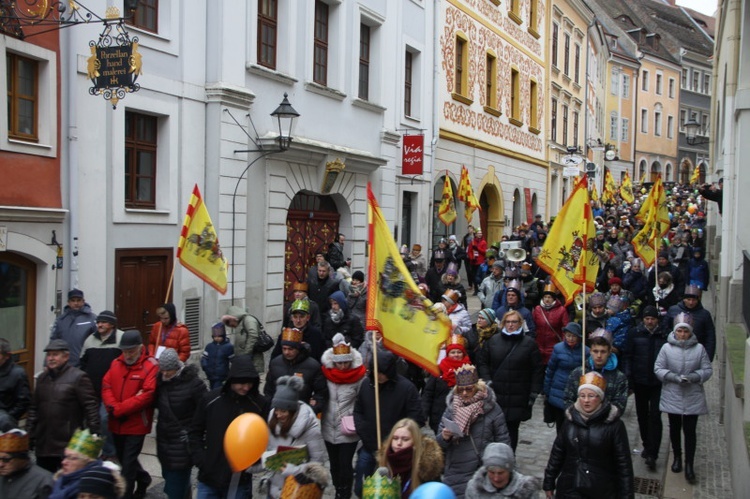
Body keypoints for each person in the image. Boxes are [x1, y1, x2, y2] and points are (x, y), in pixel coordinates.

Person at [190, 354, 270, 498]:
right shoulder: (210, 400)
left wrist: (253, 464)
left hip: (239, 481)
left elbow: (265, 439)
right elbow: (195, 431)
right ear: (232, 380)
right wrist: (202, 460)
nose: (246, 387)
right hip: (209, 477)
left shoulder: (260, 404)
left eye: (250, 383)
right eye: (242, 383)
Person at [543, 372, 634, 498]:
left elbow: (623, 464)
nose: (586, 401)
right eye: (582, 396)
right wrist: (549, 481)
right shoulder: (569, 422)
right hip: (570, 487)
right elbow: (557, 453)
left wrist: (627, 494)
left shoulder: (615, 426)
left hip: (601, 490)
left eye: (591, 396)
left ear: (600, 397)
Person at [352, 349, 425, 497]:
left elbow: (417, 417)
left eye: (382, 372)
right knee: (361, 486)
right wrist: (364, 431)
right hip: (370, 445)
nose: (378, 376)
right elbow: (358, 410)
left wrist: (400, 436)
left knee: (391, 487)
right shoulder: (366, 385)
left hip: (395, 450)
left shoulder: (407, 388)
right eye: (375, 372)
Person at [654, 313, 713, 484]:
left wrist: (694, 377)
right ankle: (677, 456)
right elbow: (658, 368)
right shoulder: (666, 348)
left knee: (690, 431)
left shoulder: (699, 349)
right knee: (674, 428)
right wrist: (673, 377)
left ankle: (690, 464)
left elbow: (707, 370)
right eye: (679, 331)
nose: (682, 335)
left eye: (685, 332)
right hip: (673, 392)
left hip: (692, 394)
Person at [437, 365, 510, 497]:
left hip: (482, 469)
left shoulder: (492, 408)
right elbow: (439, 444)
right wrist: (444, 437)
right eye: (461, 390)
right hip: (456, 469)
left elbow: (503, 440)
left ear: (477, 388)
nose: (464, 393)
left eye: (469, 389)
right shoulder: (451, 409)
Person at [27, 339, 100, 473]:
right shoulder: (42, 378)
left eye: (55, 354)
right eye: (49, 355)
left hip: (67, 443)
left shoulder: (78, 377)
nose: (51, 358)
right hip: (44, 443)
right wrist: (30, 435)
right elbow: (34, 409)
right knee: (45, 484)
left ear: (66, 357)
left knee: (66, 484)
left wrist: (94, 433)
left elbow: (90, 407)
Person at [101, 330, 158, 499]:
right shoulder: (115, 364)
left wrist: (120, 409)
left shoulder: (150, 366)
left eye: (131, 351)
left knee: (127, 465)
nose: (127, 354)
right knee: (124, 458)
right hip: (116, 422)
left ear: (140, 348)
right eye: (125, 351)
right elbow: (106, 386)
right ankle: (144, 478)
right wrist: (113, 407)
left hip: (136, 425)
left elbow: (147, 395)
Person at [477, 310, 544, 451]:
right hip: (496, 394)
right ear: (503, 323)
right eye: (508, 322)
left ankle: (509, 457)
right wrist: (487, 382)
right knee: (493, 428)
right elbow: (482, 363)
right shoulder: (493, 341)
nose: (511, 325)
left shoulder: (529, 344)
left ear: (520, 323)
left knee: (512, 431)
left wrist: (533, 392)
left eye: (514, 322)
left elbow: (537, 370)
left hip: (518, 396)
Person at [262, 375, 328, 499]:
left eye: (284, 411)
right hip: (274, 489)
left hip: (298, 490)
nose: (279, 415)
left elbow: (317, 463)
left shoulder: (311, 429)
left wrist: (294, 470)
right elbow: (269, 451)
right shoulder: (272, 420)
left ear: (292, 411)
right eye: (277, 410)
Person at [155, 348, 207, 499]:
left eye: (168, 370)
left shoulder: (194, 384)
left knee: (174, 486)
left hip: (183, 443)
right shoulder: (160, 382)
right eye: (162, 370)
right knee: (171, 477)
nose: (164, 374)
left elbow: (205, 410)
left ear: (176, 368)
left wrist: (194, 433)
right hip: (164, 441)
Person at [320, 334, 366, 499]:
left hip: (348, 426)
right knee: (334, 465)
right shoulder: (325, 374)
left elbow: (363, 400)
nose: (343, 366)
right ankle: (337, 486)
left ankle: (344, 492)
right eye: (339, 362)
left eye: (346, 362)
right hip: (328, 424)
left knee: (345, 463)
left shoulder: (359, 377)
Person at [624, 305, 668, 471]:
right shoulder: (634, 333)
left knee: (655, 416)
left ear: (657, 319)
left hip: (658, 382)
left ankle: (653, 452)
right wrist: (630, 378)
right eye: (647, 319)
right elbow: (628, 356)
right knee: (642, 415)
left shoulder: (663, 334)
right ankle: (646, 444)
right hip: (640, 380)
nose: (650, 322)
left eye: (653, 319)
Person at [79, 311, 124, 460]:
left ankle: (109, 452)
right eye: (98, 322)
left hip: (112, 390)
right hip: (92, 389)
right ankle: (88, 453)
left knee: (104, 419)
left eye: (103, 322)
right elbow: (83, 362)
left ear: (112, 324)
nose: (99, 325)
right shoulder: (90, 340)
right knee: (89, 420)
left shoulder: (121, 338)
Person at [265, 327, 328, 415]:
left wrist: (313, 408)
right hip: (278, 413)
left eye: (290, 349)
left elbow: (321, 393)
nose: (287, 352)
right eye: (284, 348)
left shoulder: (313, 366)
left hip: (302, 414)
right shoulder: (275, 363)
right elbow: (268, 390)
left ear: (298, 349)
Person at [563, 331, 629, 414]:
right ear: (590, 351)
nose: (599, 356)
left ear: (609, 352)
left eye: (603, 352)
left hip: (605, 424)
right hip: (580, 422)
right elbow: (567, 399)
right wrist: (578, 416)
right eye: (595, 351)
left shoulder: (619, 378)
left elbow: (619, 405)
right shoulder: (578, 373)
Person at [377, 418, 443, 499]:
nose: (399, 443)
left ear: (415, 442)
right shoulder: (384, 461)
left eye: (405, 439)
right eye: (395, 438)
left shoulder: (427, 467)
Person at [422, 335, 472, 434]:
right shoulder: (438, 370)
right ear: (448, 354)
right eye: (453, 352)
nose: (456, 355)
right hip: (439, 415)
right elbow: (428, 393)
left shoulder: (470, 370)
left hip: (463, 416)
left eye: (459, 352)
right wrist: (423, 414)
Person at [543, 323, 588, 432]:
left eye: (574, 336)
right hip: (558, 390)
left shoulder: (585, 351)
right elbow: (550, 370)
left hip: (575, 391)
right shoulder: (558, 348)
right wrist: (547, 390)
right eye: (568, 335)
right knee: (560, 424)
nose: (571, 339)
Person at [465, 442, 542, 499]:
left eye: (501, 473)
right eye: (492, 472)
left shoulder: (526, 490)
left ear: (510, 470)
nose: (496, 478)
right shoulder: (474, 488)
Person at [49, 429, 105, 499]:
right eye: (65, 457)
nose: (63, 462)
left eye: (72, 458)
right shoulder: (59, 482)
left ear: (87, 463)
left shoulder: (94, 489)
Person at [666, 285, 716, 361]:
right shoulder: (673, 310)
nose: (691, 302)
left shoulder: (705, 314)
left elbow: (710, 337)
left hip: (696, 353)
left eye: (694, 300)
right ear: (684, 299)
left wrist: (708, 357)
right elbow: (665, 328)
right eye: (688, 299)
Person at [0, 428, 54, 499]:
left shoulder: (45, 481)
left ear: (22, 458)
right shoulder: (2, 476)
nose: (0, 464)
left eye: (6, 460)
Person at [50, 289, 97, 367]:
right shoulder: (61, 320)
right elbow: (53, 341)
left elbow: (97, 340)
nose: (76, 303)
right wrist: (47, 363)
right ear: (68, 302)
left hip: (84, 365)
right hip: (63, 364)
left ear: (83, 301)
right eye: (73, 300)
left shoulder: (92, 319)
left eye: (78, 300)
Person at [222, 306, 266, 374]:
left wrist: (246, 354)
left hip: (252, 361)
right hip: (245, 360)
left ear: (233, 317)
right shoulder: (241, 323)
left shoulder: (248, 320)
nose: (230, 325)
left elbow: (253, 336)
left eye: (229, 322)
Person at [532, 283, 569, 365]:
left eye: (549, 297)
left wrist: (563, 345)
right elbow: (533, 326)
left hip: (554, 347)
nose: (547, 299)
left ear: (554, 299)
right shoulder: (537, 309)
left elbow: (565, 328)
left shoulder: (561, 310)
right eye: (545, 297)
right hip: (539, 347)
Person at [0, 338, 31, 424]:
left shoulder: (18, 373)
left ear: (7, 356)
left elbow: (23, 403)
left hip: (5, 423)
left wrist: (7, 419)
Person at [200, 322, 235, 389]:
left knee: (217, 391)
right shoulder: (209, 346)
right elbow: (204, 358)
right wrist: (205, 366)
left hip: (221, 376)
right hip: (210, 374)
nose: (217, 338)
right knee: (212, 389)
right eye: (215, 337)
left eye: (219, 336)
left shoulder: (228, 347)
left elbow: (233, 360)